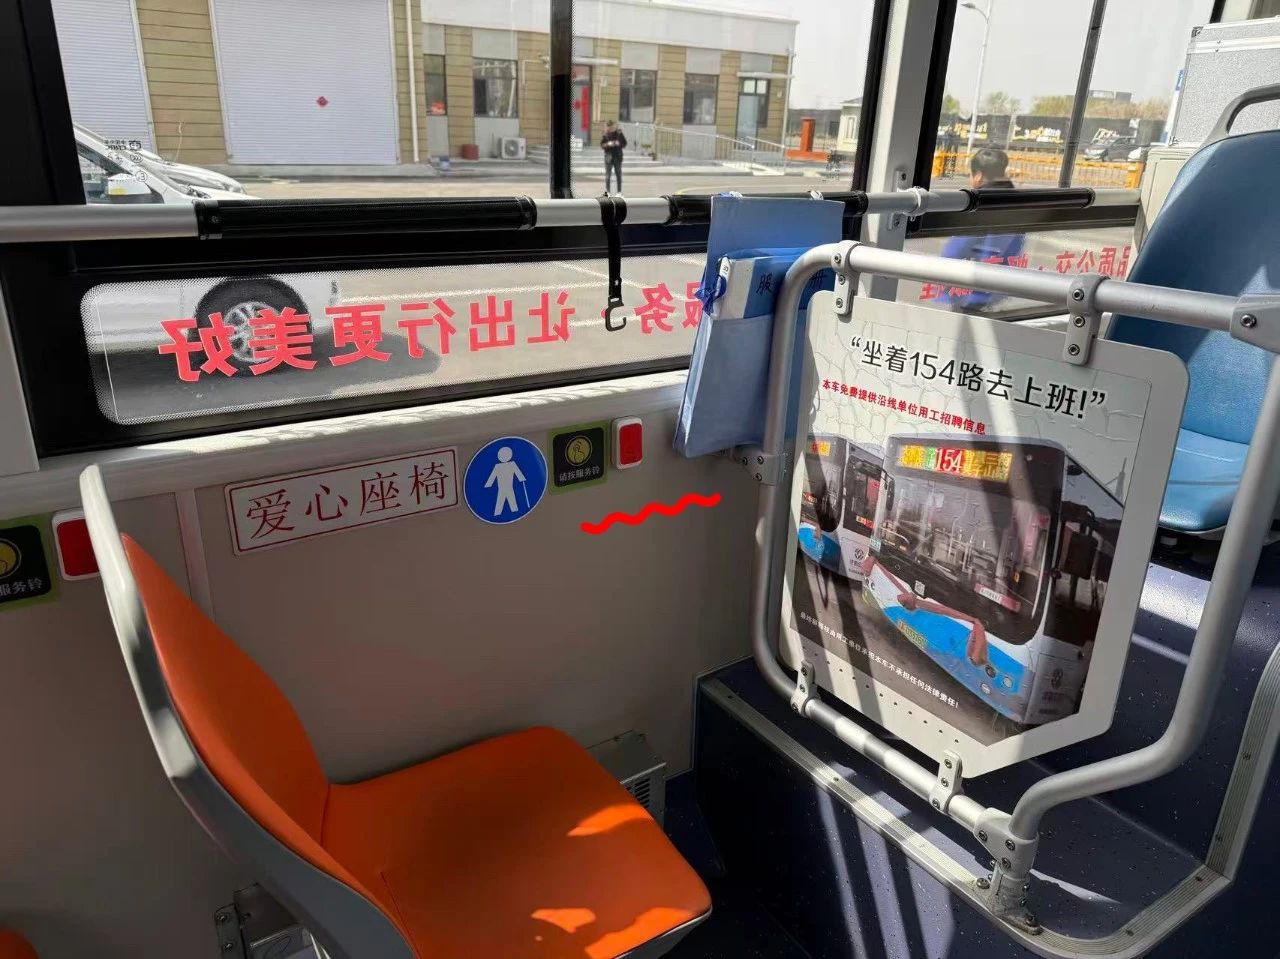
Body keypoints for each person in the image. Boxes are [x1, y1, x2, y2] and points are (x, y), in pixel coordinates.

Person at [935, 148, 1025, 315]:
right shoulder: (1015, 202)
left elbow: (956, 250)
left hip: (973, 291)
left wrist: (942, 276)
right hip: (1000, 288)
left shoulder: (979, 205)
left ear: (978, 176)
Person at [601, 120, 627, 196]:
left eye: (611, 126)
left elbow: (624, 143)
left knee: (618, 175)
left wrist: (619, 144)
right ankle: (608, 192)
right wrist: (608, 144)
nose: (610, 128)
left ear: (614, 126)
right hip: (608, 157)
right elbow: (602, 145)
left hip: (617, 157)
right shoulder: (605, 135)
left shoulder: (619, 134)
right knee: (608, 176)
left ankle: (619, 192)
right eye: (609, 127)